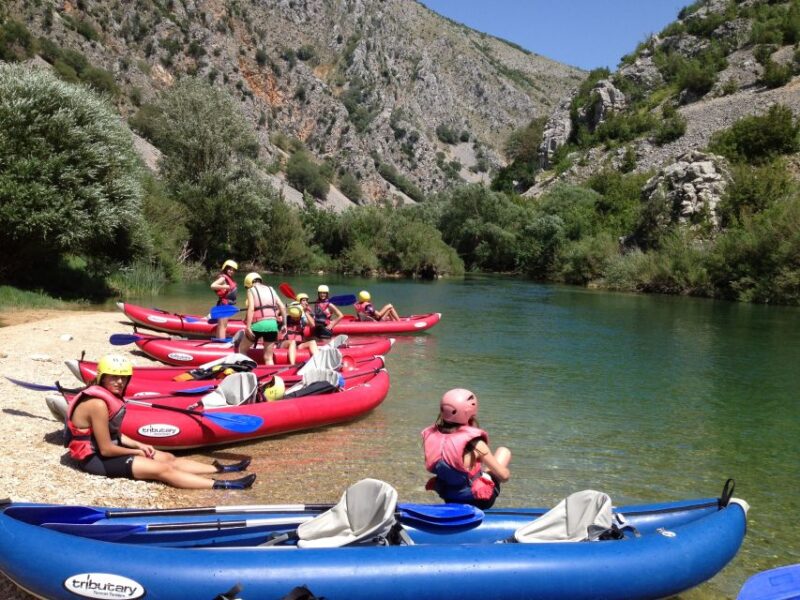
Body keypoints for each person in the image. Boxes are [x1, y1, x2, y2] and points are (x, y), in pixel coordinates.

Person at [65, 355, 255, 490]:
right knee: (162, 469)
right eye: (114, 377)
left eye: (123, 377)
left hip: (105, 452)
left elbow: (116, 435)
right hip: (94, 460)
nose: (119, 382)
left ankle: (221, 469)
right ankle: (225, 485)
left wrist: (139, 444)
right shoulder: (97, 404)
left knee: (168, 457)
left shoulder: (106, 397)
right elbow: (106, 449)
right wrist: (136, 452)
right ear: (102, 378)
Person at [421, 388, 511, 509]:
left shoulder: (433, 437)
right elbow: (504, 477)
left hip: (449, 497)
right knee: (503, 451)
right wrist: (503, 473)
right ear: (471, 413)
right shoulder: (476, 444)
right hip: (479, 500)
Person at [238, 272, 286, 365]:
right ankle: (271, 373)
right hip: (273, 325)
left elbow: (251, 309)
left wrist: (248, 327)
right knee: (268, 357)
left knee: (242, 349)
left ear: (249, 283)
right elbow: (283, 307)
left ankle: (246, 369)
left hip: (258, 325)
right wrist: (284, 324)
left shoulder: (251, 290)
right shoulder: (271, 289)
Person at [210, 259, 239, 339]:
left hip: (225, 304)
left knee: (221, 325)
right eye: (229, 269)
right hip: (224, 304)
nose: (231, 271)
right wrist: (225, 286)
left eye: (233, 270)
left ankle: (218, 340)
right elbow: (212, 286)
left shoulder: (228, 278)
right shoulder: (223, 278)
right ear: (225, 268)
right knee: (223, 326)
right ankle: (221, 342)